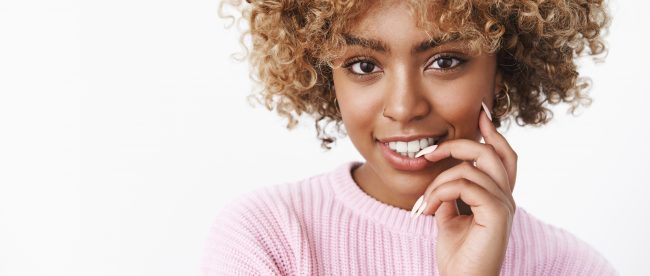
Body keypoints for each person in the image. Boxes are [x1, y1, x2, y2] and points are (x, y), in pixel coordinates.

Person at [203, 0, 616, 275]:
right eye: (364, 66)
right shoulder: (269, 236)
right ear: (327, 75)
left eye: (445, 61)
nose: (403, 107)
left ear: (503, 68)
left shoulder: (569, 267)